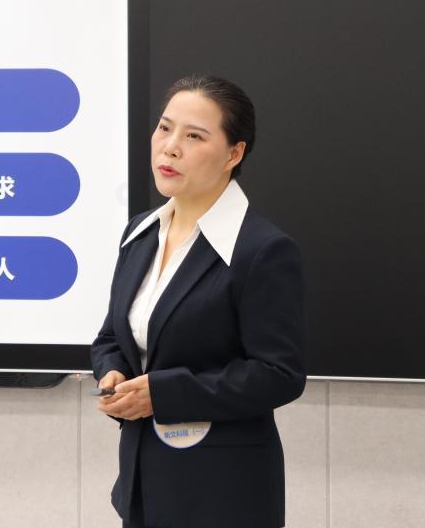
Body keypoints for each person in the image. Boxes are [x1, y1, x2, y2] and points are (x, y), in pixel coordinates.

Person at [91, 74, 306, 528]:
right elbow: (112, 336)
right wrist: (113, 374)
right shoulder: (139, 232)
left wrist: (163, 394)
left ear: (234, 154)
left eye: (194, 136)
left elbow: (279, 375)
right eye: (165, 128)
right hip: (142, 485)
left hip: (222, 494)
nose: (170, 147)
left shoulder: (262, 249)